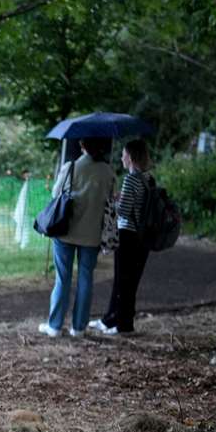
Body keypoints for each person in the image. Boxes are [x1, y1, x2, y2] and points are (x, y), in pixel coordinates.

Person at [38, 137, 115, 338]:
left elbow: (56, 194)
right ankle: (79, 328)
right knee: (86, 279)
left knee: (63, 279)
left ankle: (54, 326)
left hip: (66, 232)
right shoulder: (107, 171)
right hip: (92, 235)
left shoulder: (71, 167)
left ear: (82, 145)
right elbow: (111, 199)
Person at [93, 139, 152, 336]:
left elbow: (124, 211)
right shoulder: (147, 178)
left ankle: (123, 325)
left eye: (124, 154)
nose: (121, 157)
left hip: (128, 235)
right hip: (141, 237)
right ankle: (111, 318)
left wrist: (111, 202)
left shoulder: (131, 179)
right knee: (127, 281)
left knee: (123, 281)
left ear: (131, 157)